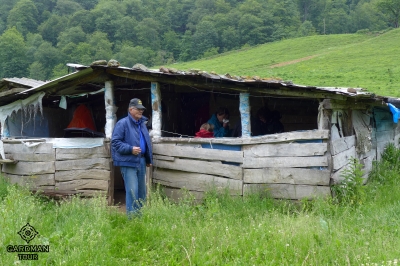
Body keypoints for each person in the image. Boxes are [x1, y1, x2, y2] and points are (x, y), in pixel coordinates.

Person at [111, 98, 153, 216]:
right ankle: (132, 219)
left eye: (142, 109)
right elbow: (115, 142)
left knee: (141, 192)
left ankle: (140, 217)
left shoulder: (142, 124)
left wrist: (148, 159)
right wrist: (130, 149)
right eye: (138, 109)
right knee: (132, 191)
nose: (141, 111)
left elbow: (146, 142)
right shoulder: (122, 123)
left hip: (141, 160)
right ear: (130, 109)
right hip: (128, 161)